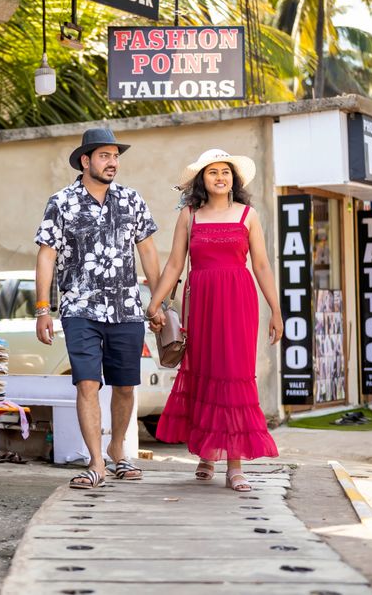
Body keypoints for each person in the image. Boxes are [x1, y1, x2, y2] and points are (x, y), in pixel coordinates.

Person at [145, 149, 281, 492]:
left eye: (225, 172)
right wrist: (155, 303)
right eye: (212, 173)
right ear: (202, 180)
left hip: (238, 302)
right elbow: (175, 264)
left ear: (233, 179)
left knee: (233, 375)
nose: (220, 177)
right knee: (205, 373)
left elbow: (262, 265)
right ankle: (207, 453)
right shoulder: (189, 216)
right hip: (202, 302)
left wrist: (276, 310)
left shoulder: (248, 215)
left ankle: (234, 465)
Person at [34, 127, 160, 490]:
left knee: (124, 386)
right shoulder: (61, 202)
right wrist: (44, 308)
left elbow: (148, 252)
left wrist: (159, 301)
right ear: (85, 160)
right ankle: (95, 461)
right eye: (105, 156)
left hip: (126, 308)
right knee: (87, 383)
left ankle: (118, 449)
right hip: (79, 308)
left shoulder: (132, 201)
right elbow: (47, 255)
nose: (113, 163)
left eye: (115, 156)